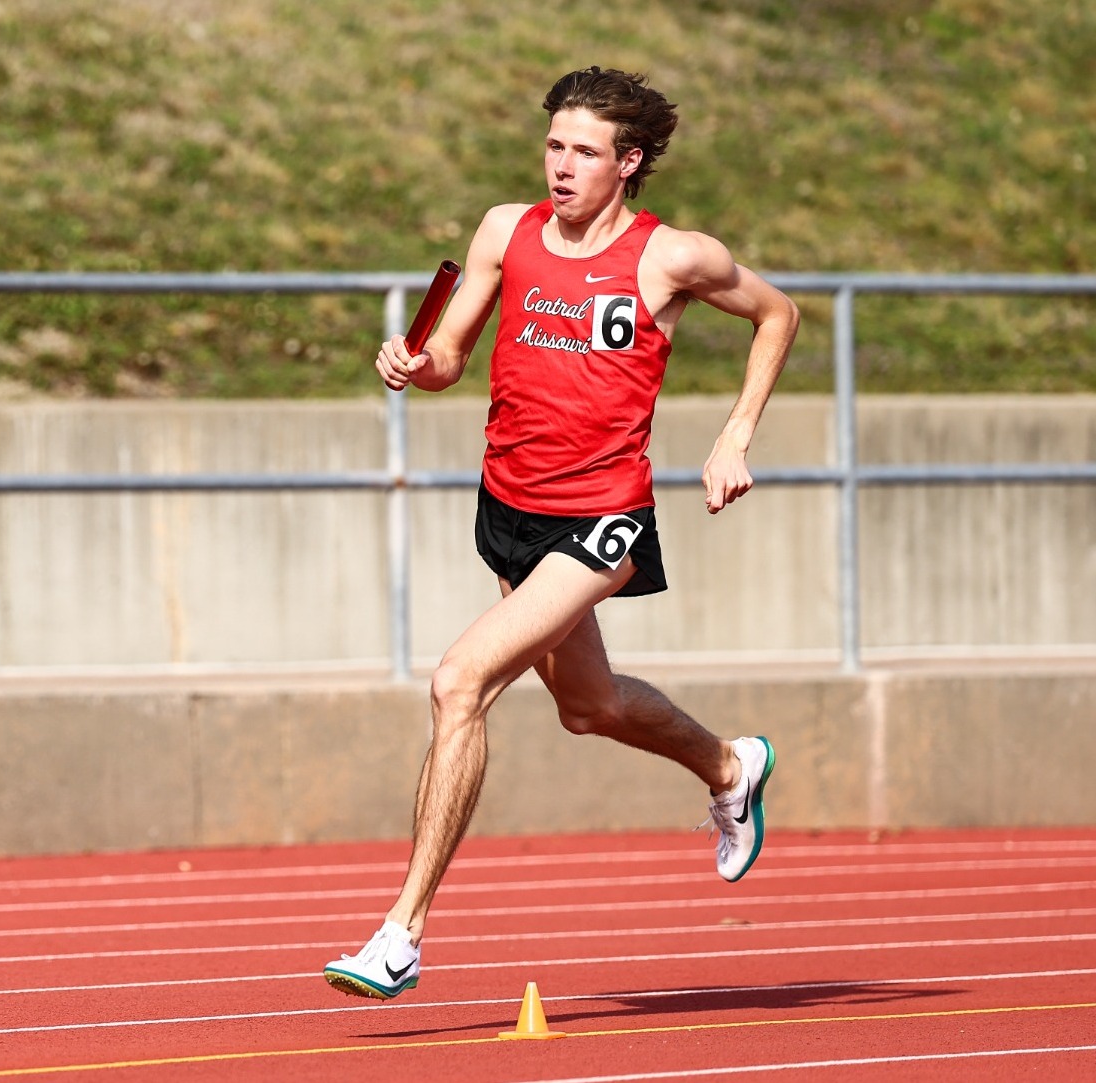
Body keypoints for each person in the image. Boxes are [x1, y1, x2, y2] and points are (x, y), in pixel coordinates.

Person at [322, 66, 800, 1001]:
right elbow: (451, 357)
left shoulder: (673, 257)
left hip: (599, 516)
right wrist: (414, 363)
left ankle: (399, 934)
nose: (561, 166)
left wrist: (734, 435)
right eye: (553, 145)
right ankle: (729, 764)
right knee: (588, 706)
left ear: (628, 162)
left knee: (458, 681)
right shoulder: (505, 230)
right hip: (508, 505)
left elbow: (776, 313)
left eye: (584, 151)